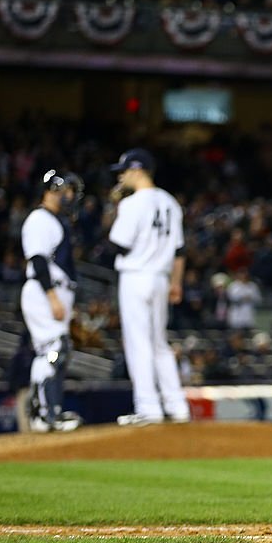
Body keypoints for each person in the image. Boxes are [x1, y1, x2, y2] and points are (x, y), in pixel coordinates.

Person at [108, 148, 191, 426]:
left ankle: (148, 407)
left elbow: (118, 244)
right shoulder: (170, 202)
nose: (120, 176)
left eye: (123, 171)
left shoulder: (132, 203)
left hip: (136, 275)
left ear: (137, 170)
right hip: (161, 278)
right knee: (159, 344)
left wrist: (114, 210)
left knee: (138, 344)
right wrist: (176, 283)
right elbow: (180, 250)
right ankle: (177, 406)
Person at [19, 170, 84, 432]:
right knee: (53, 349)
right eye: (66, 190)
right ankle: (44, 414)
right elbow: (37, 260)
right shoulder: (39, 218)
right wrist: (52, 297)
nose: (70, 196)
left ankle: (48, 412)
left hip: (56, 292)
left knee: (55, 350)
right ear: (53, 189)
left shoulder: (54, 221)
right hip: (44, 291)